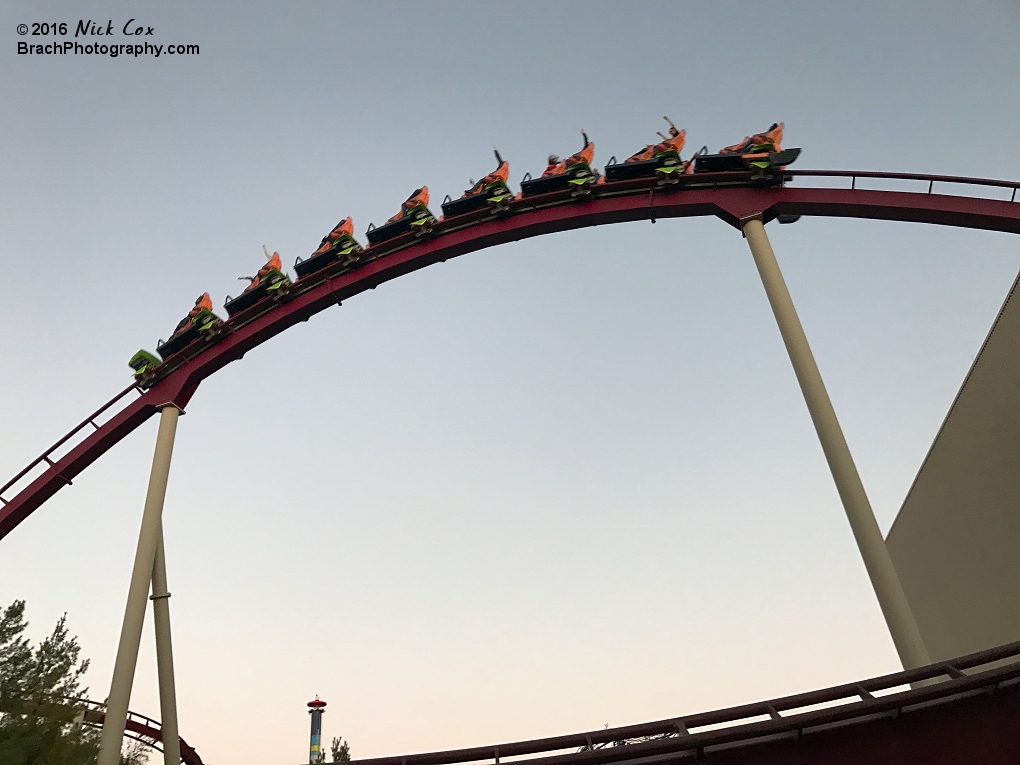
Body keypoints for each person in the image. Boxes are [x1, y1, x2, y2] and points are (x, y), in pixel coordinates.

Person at [719, 123, 784, 155]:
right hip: (759, 148)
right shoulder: (770, 135)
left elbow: (758, 137)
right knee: (724, 150)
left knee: (752, 139)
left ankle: (740, 149)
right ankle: (737, 150)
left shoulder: (773, 136)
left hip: (766, 148)